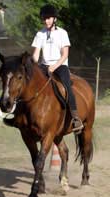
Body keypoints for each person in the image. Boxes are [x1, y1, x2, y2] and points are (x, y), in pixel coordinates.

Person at [31, 4, 84, 134]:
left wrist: (54, 66)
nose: (46, 21)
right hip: (44, 66)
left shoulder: (62, 33)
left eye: (48, 18)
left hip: (60, 65)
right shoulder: (40, 34)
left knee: (67, 87)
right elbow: (36, 54)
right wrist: (33, 63)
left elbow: (65, 54)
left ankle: (76, 118)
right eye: (44, 18)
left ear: (54, 19)